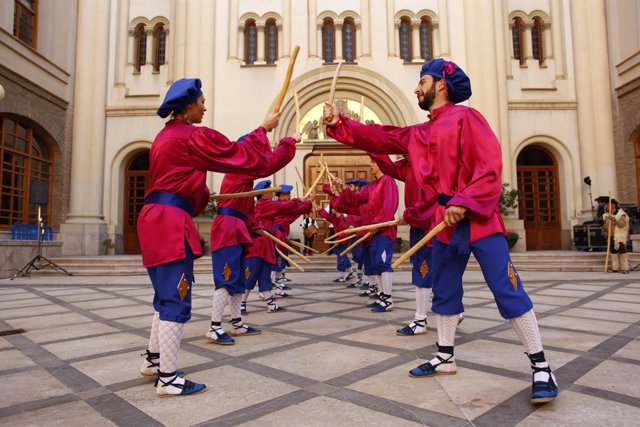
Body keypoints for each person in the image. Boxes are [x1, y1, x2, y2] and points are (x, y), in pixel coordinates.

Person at [322, 58, 558, 404]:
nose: (416, 88)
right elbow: (383, 136)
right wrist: (339, 124)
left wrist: (464, 200)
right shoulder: (419, 133)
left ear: (441, 84)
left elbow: (490, 165)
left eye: (422, 81)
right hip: (444, 222)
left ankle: (541, 365)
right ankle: (445, 356)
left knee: (506, 288)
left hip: (479, 217)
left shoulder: (468, 118)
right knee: (444, 289)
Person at [137, 78, 281, 396]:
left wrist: (201, 192)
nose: (205, 106)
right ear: (188, 106)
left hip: (154, 218)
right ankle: (168, 378)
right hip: (170, 221)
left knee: (163, 297)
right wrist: (263, 130)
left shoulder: (164, 138)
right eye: (202, 101)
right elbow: (235, 153)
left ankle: (153, 360)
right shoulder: (191, 136)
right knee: (176, 297)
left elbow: (189, 183)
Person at [206, 132, 298, 345]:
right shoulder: (239, 169)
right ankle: (214, 326)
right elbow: (269, 164)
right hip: (228, 229)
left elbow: (246, 211)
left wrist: (253, 228)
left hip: (237, 227)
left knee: (237, 280)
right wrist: (289, 141)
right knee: (225, 278)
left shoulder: (244, 177)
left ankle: (237, 322)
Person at [603, 198, 630, 274]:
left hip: (619, 236)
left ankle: (625, 268)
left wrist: (614, 220)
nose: (607, 206)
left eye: (608, 205)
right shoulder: (607, 215)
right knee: (613, 252)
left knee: (622, 252)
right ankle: (615, 268)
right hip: (611, 236)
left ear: (613, 205)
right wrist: (607, 222)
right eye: (607, 205)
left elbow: (622, 224)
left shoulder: (621, 214)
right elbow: (605, 227)